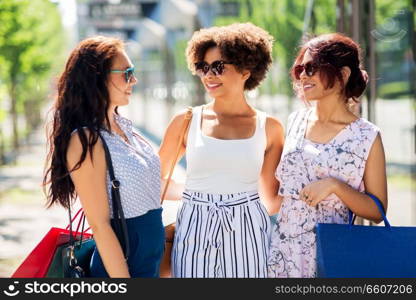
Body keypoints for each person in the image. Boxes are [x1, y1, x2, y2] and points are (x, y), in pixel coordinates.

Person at [159, 23, 285, 278]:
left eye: (218, 67)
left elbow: (271, 201)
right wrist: (196, 193)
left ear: (246, 69)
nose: (209, 75)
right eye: (203, 67)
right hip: (194, 224)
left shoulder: (270, 127)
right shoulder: (185, 120)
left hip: (247, 226)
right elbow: (154, 179)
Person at [267, 33, 388, 278]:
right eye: (300, 68)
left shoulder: (367, 136)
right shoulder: (295, 121)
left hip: (332, 258)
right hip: (282, 254)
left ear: (342, 74)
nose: (303, 76)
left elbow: (378, 211)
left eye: (311, 68)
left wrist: (335, 186)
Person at [43, 36, 165, 278]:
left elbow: (150, 187)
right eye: (127, 73)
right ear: (98, 77)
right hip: (121, 268)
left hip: (150, 262)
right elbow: (99, 225)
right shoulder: (86, 139)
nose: (134, 79)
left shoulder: (126, 128)